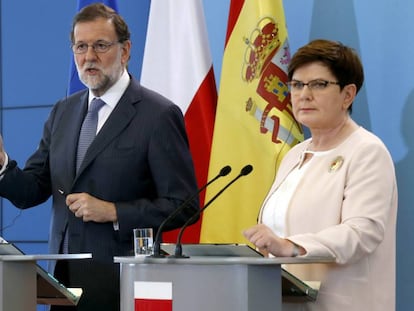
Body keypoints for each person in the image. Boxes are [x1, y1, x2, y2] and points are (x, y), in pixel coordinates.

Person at [0, 3, 199, 311]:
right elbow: (32, 189)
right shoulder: (62, 112)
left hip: (124, 283)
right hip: (62, 284)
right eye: (81, 47)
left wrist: (114, 212)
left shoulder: (158, 115)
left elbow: (184, 206)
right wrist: (2, 165)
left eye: (100, 46)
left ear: (126, 50)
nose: (89, 57)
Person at [243, 39, 397, 310]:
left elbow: (361, 233)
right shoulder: (295, 154)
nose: (304, 94)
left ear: (348, 95)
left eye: (319, 84)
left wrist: (290, 246)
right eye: (297, 84)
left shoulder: (367, 151)